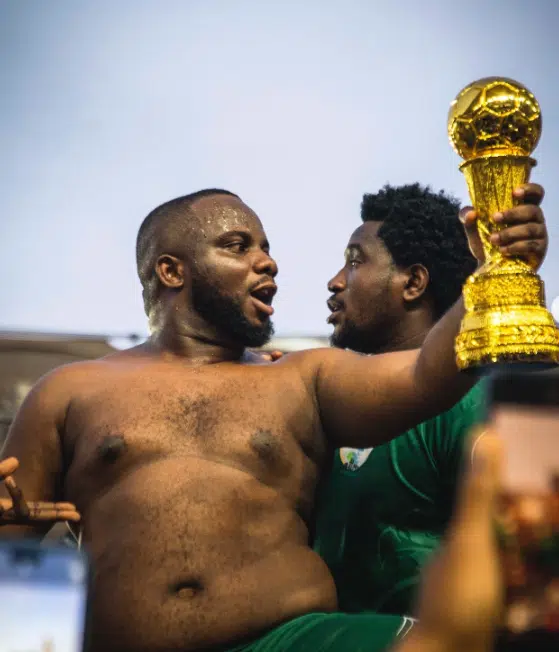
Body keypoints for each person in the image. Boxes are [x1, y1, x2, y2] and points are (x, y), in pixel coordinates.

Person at [0, 186, 547, 652]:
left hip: (291, 638)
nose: (268, 262)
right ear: (171, 271)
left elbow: (427, 373)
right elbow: (10, 539)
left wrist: (494, 272)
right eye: (238, 246)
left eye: (266, 247)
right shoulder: (67, 391)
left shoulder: (304, 378)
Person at [314, 183, 485, 615]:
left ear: (413, 283)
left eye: (355, 261)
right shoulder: (329, 402)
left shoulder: (469, 399)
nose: (335, 281)